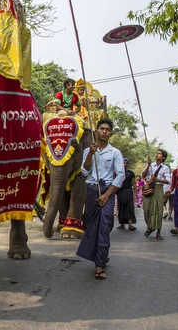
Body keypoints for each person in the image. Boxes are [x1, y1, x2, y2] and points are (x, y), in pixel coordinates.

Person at [76, 119, 125, 280]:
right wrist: (90, 153)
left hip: (107, 191)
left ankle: (99, 265)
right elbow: (85, 172)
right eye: (102, 128)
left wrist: (107, 194)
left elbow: (120, 175)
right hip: (91, 190)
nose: (104, 131)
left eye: (107, 129)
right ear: (97, 131)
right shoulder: (89, 150)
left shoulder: (115, 153)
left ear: (111, 133)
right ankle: (100, 255)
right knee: (92, 226)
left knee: (105, 225)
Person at [141, 149, 171, 240]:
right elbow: (143, 175)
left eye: (159, 154)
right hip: (149, 188)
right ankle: (150, 227)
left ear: (163, 157)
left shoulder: (165, 168)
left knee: (158, 211)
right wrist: (148, 165)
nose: (157, 155)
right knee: (146, 209)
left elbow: (168, 180)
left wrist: (157, 179)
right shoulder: (150, 165)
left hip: (158, 189)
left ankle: (158, 232)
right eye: (157, 153)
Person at [116, 158, 137, 230]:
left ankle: (130, 225)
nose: (125, 164)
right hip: (120, 191)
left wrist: (135, 193)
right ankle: (122, 224)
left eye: (126, 163)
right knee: (121, 208)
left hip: (128, 192)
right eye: (124, 163)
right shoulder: (117, 172)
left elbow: (134, 183)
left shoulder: (131, 173)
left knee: (130, 208)